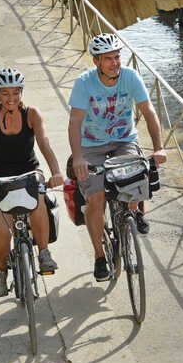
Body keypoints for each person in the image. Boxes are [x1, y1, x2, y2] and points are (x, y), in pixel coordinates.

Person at [68, 33, 166, 282]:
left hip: (124, 140)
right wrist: (78, 157)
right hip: (92, 146)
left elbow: (148, 110)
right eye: (108, 59)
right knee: (95, 199)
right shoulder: (84, 83)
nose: (115, 62)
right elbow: (75, 121)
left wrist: (159, 147)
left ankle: (133, 212)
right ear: (97, 62)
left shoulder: (130, 77)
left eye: (117, 56)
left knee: (135, 181)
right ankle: (100, 256)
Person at [0, 68, 64, 297]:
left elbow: (44, 143)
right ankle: (1, 271)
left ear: (21, 92)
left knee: (38, 205)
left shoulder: (31, 114)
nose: (11, 98)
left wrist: (56, 172)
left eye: (16, 92)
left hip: (30, 171)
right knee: (2, 229)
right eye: (5, 93)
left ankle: (44, 253)